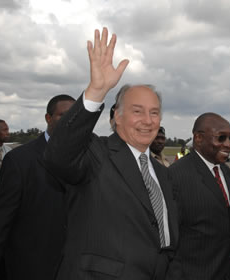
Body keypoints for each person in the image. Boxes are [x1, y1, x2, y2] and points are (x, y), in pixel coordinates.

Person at [44, 28, 178, 280]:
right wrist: (96, 92)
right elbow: (58, 155)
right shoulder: (96, 153)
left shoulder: (161, 172)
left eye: (154, 112)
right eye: (137, 111)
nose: (148, 121)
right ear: (117, 116)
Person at [0, 95, 75, 280]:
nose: (70, 121)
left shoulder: (90, 159)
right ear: (48, 118)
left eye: (76, 116)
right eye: (64, 115)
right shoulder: (20, 160)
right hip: (31, 268)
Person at [167, 113, 230, 280]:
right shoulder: (176, 176)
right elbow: (170, 240)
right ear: (198, 138)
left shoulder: (225, 171)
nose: (229, 144)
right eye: (221, 138)